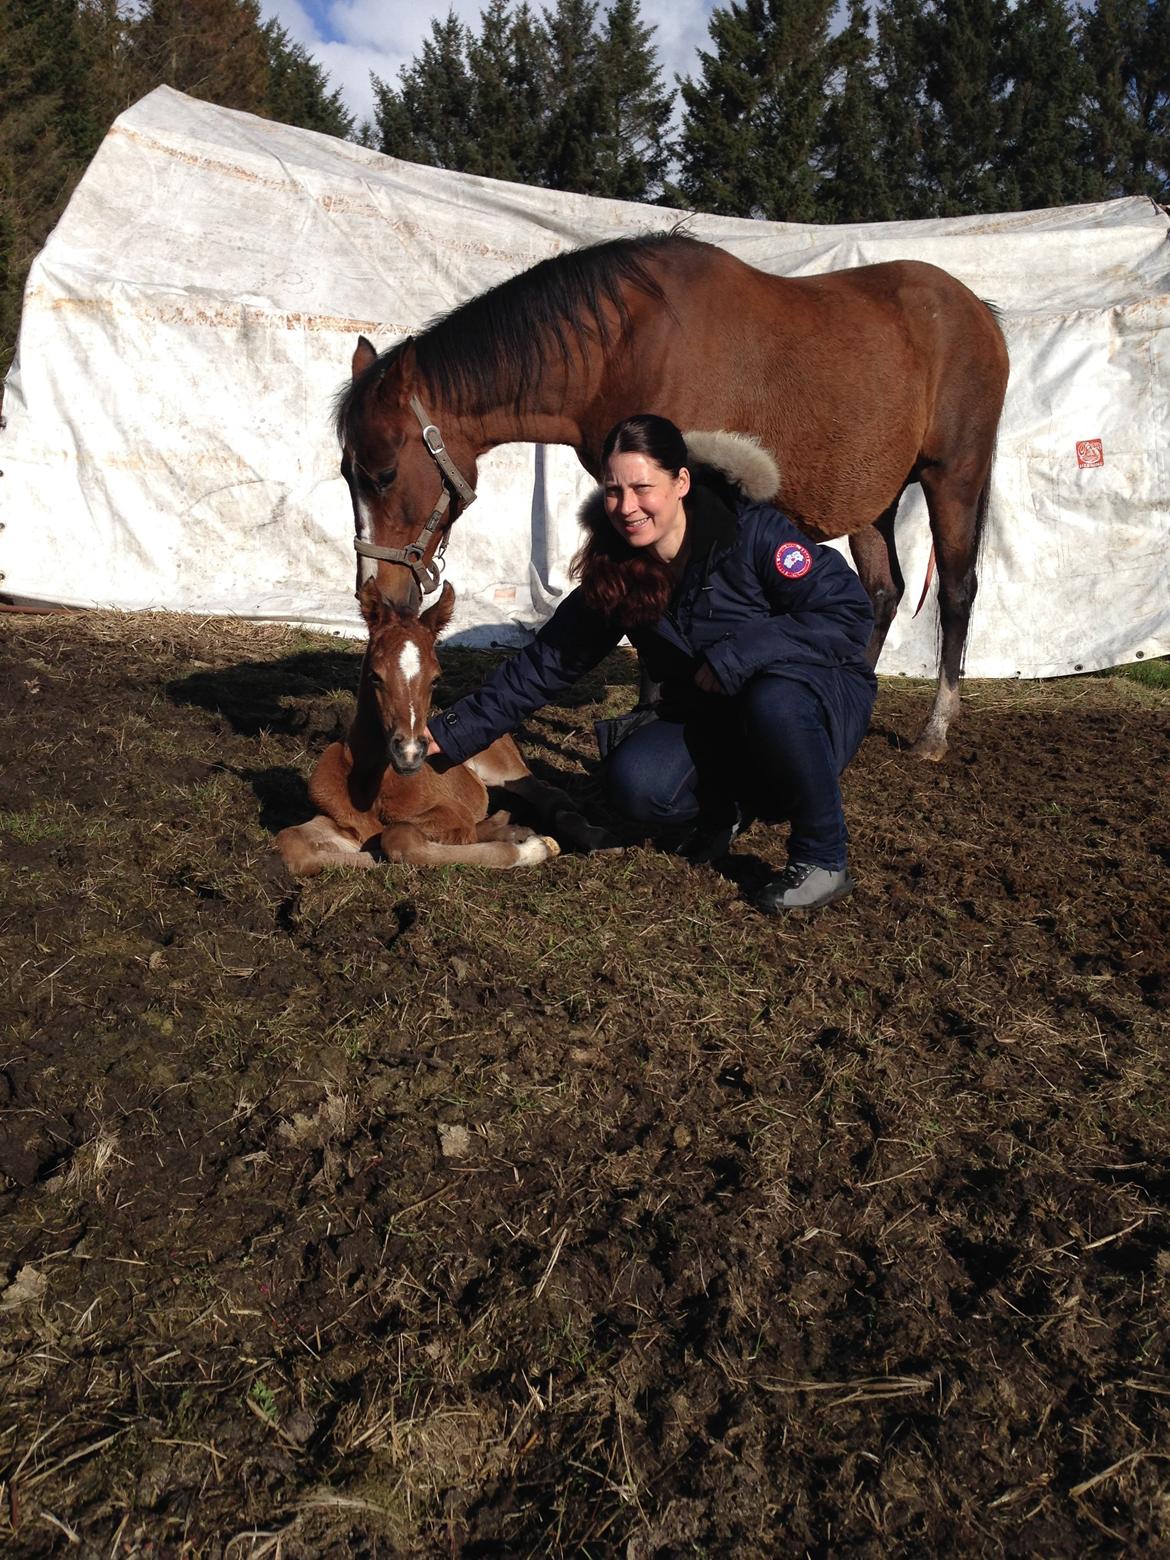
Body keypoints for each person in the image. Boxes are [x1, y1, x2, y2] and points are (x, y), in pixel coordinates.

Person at [427, 414, 877, 912]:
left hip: (815, 702)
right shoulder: (619, 566)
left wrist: (740, 653)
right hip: (715, 715)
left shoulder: (753, 535)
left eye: (643, 487)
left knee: (774, 700)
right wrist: (448, 733)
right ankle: (726, 808)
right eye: (614, 490)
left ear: (681, 482)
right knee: (637, 784)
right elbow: (546, 664)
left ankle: (823, 857)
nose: (627, 507)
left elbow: (848, 614)